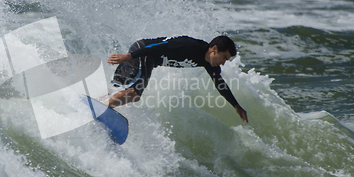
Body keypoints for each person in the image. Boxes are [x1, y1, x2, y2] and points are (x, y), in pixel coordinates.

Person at [106, 35, 248, 123]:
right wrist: (129, 56)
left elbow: (220, 84)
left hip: (147, 58)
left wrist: (236, 106)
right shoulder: (189, 46)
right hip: (144, 52)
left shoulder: (209, 63)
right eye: (224, 57)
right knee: (134, 93)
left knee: (123, 90)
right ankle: (104, 108)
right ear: (214, 49)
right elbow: (157, 46)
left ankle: (100, 103)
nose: (223, 63)